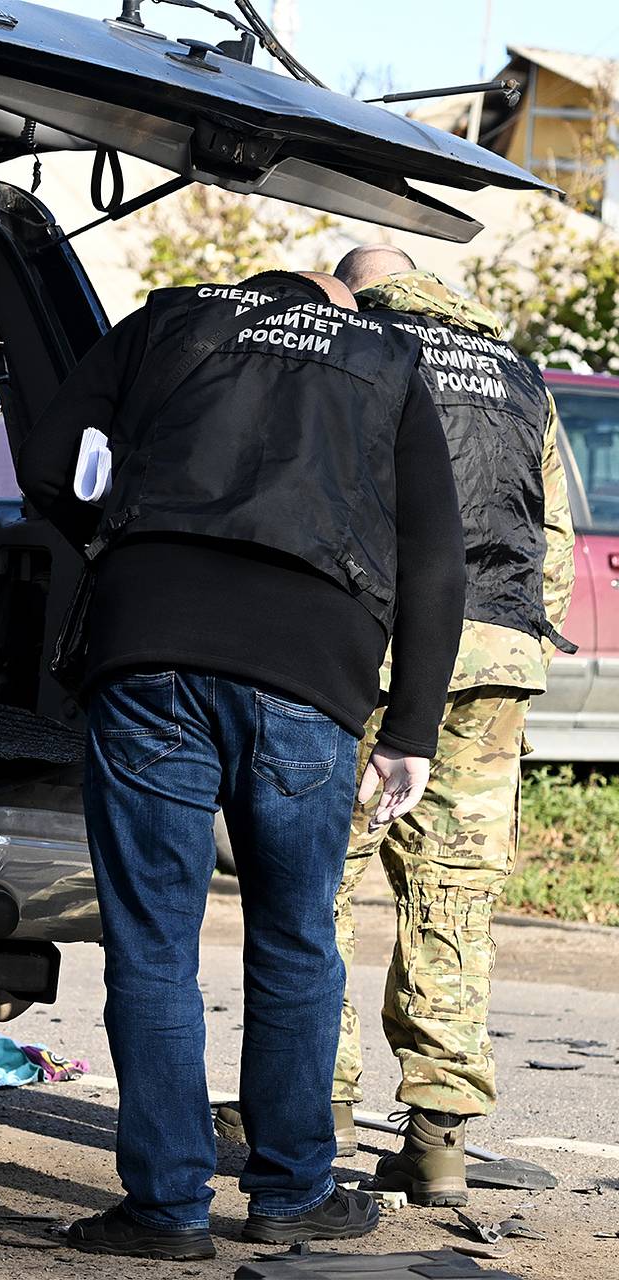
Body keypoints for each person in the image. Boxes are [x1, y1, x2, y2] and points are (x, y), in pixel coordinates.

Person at [16, 269, 466, 1260]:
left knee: (152, 942)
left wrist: (115, 540)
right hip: (308, 665)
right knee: (297, 933)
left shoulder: (171, 317)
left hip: (147, 639)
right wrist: (411, 732)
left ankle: (166, 1208)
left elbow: (49, 456)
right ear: (333, 309)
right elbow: (435, 552)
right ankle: (290, 1191)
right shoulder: (385, 357)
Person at [328, 246, 576, 1206]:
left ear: (356, 286)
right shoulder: (518, 371)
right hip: (499, 659)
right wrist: (522, 652)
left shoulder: (357, 342)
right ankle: (438, 1138)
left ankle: (315, 1102)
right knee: (455, 899)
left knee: (323, 876)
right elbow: (550, 533)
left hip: (380, 648)